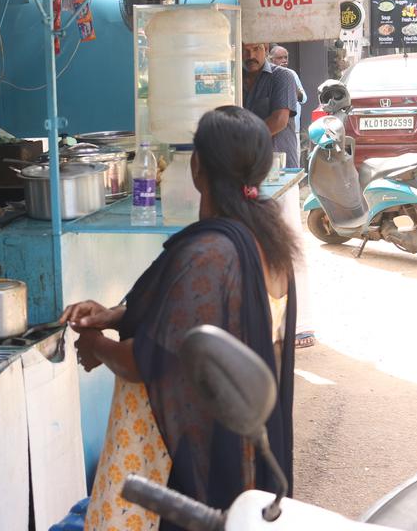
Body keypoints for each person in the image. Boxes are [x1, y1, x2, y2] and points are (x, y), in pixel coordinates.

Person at [60, 106, 297, 531]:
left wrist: (98, 346)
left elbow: (145, 362)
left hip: (185, 450)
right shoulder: (267, 241)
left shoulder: (209, 253)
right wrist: (115, 315)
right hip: (243, 442)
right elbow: (209, 314)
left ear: (197, 166)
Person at [245, 42, 315, 349]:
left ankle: (300, 323)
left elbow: (279, 121)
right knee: (256, 249)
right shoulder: (231, 78)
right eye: (246, 49)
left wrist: (237, 136)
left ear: (265, 49)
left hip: (279, 172)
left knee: (287, 243)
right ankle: (266, 320)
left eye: (257, 49)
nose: (251, 55)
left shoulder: (282, 77)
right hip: (245, 173)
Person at [269, 45, 307, 139]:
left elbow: (304, 99)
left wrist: (293, 87)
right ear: (271, 60)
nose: (284, 60)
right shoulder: (269, 75)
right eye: (280, 58)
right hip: (275, 129)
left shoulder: (292, 74)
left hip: (293, 129)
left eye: (285, 57)